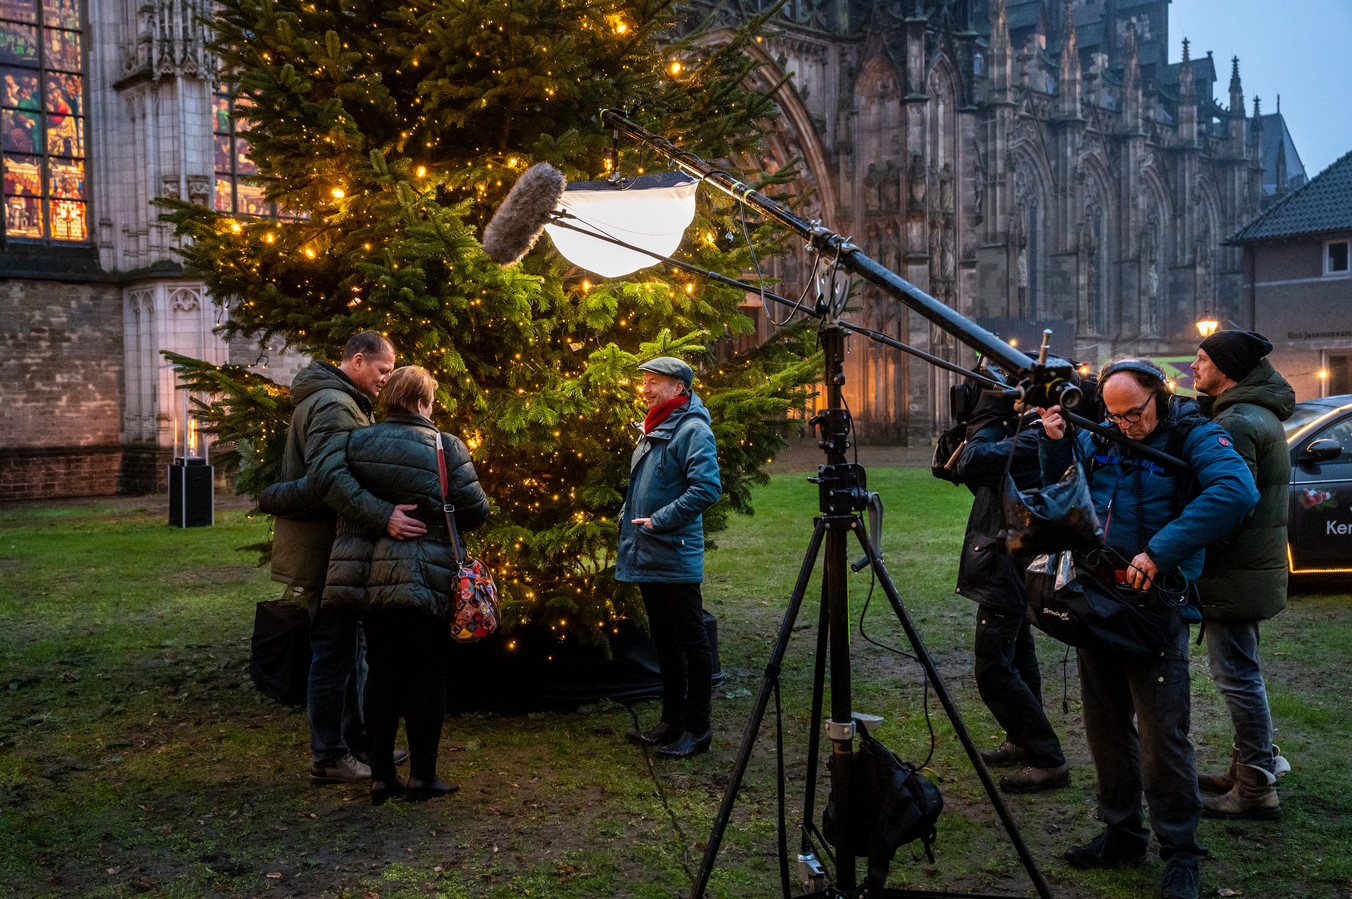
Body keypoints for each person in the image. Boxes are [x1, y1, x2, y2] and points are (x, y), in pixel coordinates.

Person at [1036, 357, 1258, 899]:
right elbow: (1068, 491)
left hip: (1154, 605)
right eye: (1113, 416)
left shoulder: (1195, 434)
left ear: (1159, 395)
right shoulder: (1106, 433)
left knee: (1164, 739)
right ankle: (1121, 832)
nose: (1124, 426)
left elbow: (1237, 492)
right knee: (1105, 726)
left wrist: (1160, 552)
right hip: (1098, 597)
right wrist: (1059, 443)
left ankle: (1180, 850)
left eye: (1133, 414)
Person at [261, 331, 427, 785]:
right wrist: (384, 516)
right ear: (357, 361)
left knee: (350, 650)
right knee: (333, 652)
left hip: (336, 549)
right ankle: (330, 755)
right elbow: (332, 478)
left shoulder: (339, 399)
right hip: (325, 550)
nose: (386, 379)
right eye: (383, 370)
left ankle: (358, 745)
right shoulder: (335, 404)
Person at [320, 366, 490, 804]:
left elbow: (330, 488)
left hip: (369, 580)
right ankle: (423, 776)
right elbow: (475, 511)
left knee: (380, 674)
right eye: (430, 401)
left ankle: (380, 777)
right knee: (426, 675)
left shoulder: (355, 442)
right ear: (420, 403)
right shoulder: (444, 446)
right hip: (426, 575)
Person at [935, 370, 1071, 793]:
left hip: (1010, 560)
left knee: (993, 668)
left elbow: (975, 460)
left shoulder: (1039, 437)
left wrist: (983, 417)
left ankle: (1047, 756)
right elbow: (949, 465)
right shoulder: (1018, 430)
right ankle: (1022, 742)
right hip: (1003, 557)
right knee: (1019, 654)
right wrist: (973, 419)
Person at [1190, 330, 1293, 819]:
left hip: (1235, 570)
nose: (1193, 365)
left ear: (1227, 369)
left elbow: (1230, 504)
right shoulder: (1255, 413)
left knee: (1236, 677)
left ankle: (1255, 786)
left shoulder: (1237, 419)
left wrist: (1194, 551)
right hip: (1249, 568)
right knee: (1242, 672)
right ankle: (1248, 769)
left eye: (1203, 359)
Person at [618, 357, 722, 759]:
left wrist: (658, 521)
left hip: (674, 552)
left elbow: (706, 489)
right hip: (647, 549)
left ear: (678, 387)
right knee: (663, 640)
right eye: (644, 381)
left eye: (653, 381)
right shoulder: (654, 426)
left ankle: (698, 729)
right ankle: (671, 721)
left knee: (692, 642)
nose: (644, 388)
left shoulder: (692, 429)